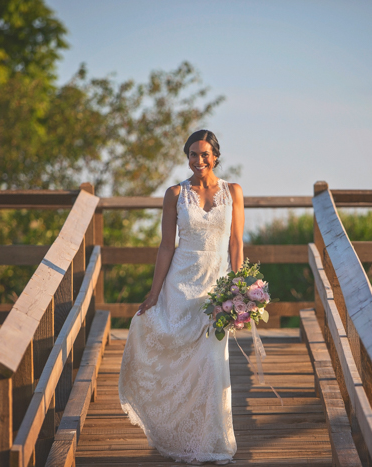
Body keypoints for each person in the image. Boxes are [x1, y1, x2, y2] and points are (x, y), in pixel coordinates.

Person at [118, 129, 243, 465]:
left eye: (204, 154)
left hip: (217, 289)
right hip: (181, 285)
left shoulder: (233, 192)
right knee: (182, 360)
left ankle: (212, 441)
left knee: (212, 363)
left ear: (216, 155)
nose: (198, 161)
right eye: (192, 154)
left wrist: (239, 288)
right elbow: (165, 246)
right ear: (186, 157)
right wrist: (154, 292)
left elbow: (235, 244)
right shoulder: (175, 193)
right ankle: (180, 435)